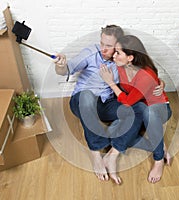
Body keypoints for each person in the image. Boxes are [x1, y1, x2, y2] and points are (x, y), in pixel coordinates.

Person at [54, 25, 163, 185]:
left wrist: (160, 83)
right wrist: (61, 64)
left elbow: (142, 75)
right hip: (81, 102)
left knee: (139, 108)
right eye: (102, 43)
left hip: (106, 103)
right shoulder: (90, 53)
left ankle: (115, 152)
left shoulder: (121, 59)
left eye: (109, 46)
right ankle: (95, 152)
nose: (103, 49)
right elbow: (66, 69)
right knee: (87, 96)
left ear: (118, 46)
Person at [100, 35, 172, 184]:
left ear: (130, 57)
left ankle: (158, 160)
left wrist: (111, 83)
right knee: (113, 130)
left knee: (148, 111)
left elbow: (126, 101)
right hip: (138, 107)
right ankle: (157, 143)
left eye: (118, 53)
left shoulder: (145, 74)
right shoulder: (121, 65)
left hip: (157, 109)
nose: (114, 55)